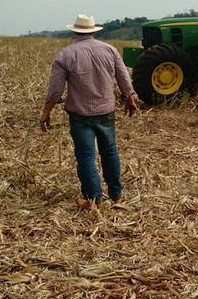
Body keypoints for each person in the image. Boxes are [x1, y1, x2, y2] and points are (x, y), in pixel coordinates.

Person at [40, 14, 138, 210]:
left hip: (80, 115)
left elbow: (55, 89)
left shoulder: (66, 55)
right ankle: (117, 196)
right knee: (110, 152)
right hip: (106, 111)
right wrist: (130, 98)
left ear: (75, 31)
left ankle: (93, 200)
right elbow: (124, 78)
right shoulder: (110, 50)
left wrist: (46, 112)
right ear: (93, 31)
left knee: (86, 157)